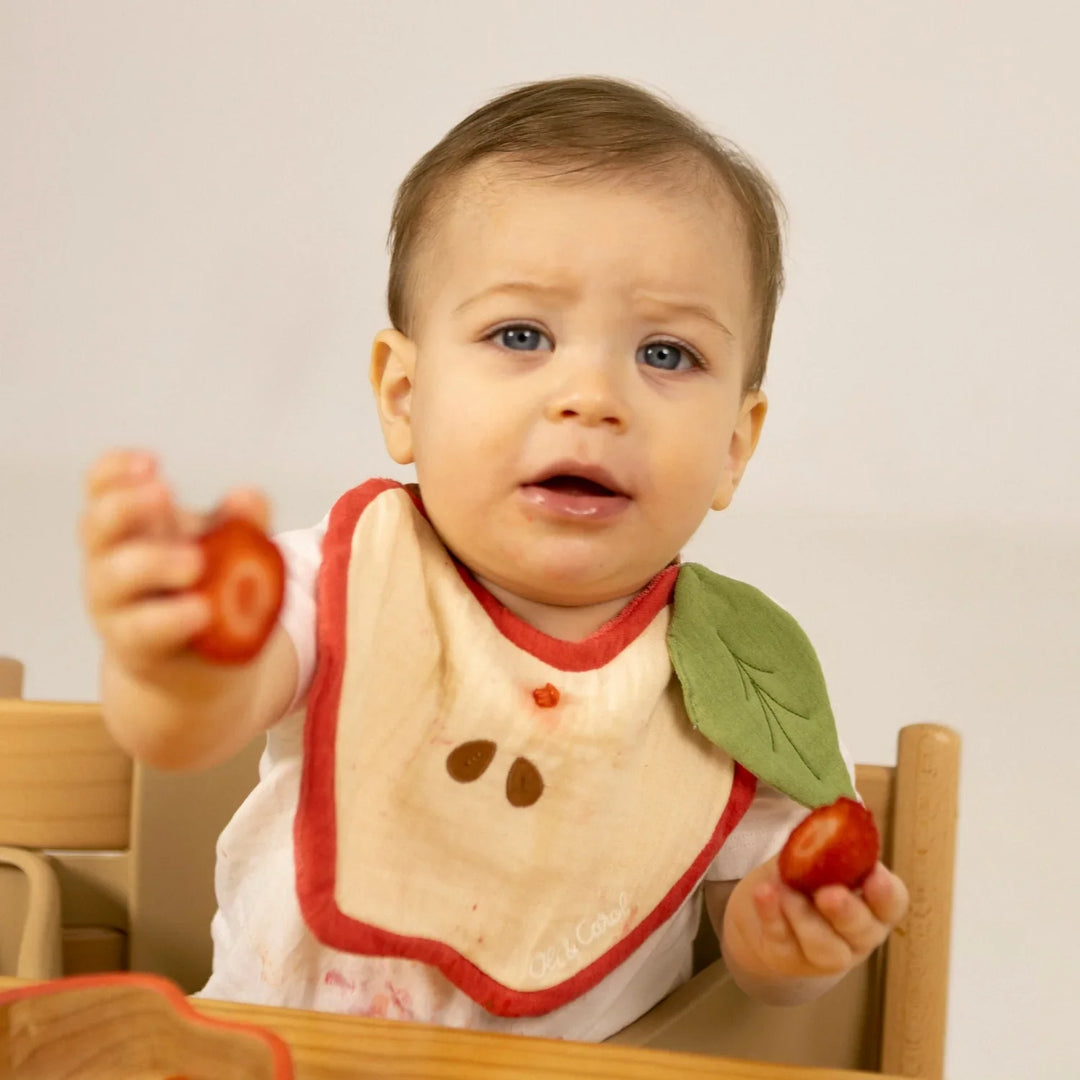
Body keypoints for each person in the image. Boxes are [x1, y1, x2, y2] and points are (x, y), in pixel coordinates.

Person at [79, 76, 908, 1041]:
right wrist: (169, 660)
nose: (592, 395)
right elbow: (184, 727)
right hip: (281, 1057)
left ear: (735, 444)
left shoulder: (733, 677)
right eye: (523, 335)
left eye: (668, 355)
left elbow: (756, 950)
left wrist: (788, 942)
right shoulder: (349, 575)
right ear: (403, 392)